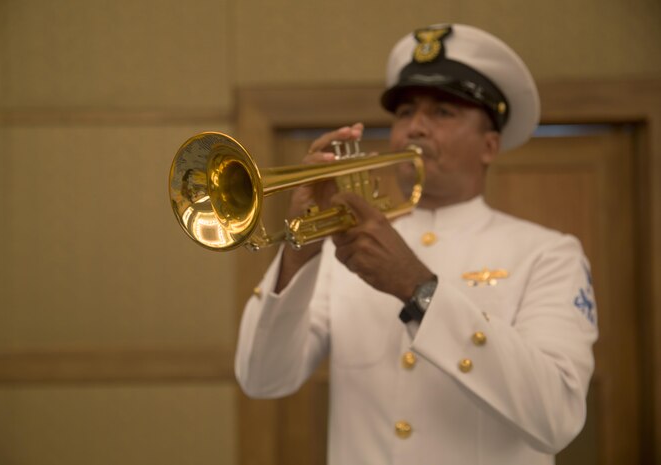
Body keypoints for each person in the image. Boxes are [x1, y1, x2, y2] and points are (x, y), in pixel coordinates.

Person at [234, 23, 598, 465]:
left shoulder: (548, 253)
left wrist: (418, 289)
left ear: (490, 145)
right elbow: (262, 379)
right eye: (405, 113)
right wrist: (300, 245)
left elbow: (557, 416)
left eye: (443, 113)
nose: (416, 128)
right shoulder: (339, 249)